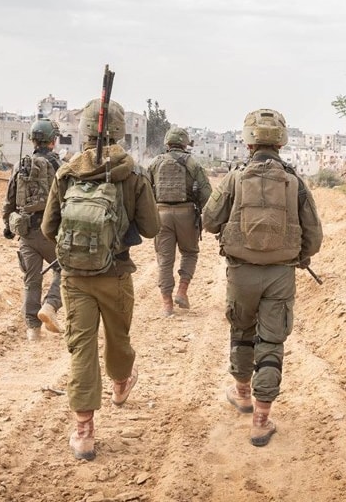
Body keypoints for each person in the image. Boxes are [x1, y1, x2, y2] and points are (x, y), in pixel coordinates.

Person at [42, 98, 160, 461]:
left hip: (75, 279)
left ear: (83, 132)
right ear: (121, 131)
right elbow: (152, 228)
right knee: (118, 339)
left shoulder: (66, 173)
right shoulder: (135, 174)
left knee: (82, 350)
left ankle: (84, 432)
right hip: (117, 274)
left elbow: (49, 228)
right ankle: (121, 381)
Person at [201, 108, 323, 447]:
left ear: (248, 140)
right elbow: (314, 234)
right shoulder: (294, 182)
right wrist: (301, 257)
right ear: (281, 141)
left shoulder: (234, 179)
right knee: (271, 342)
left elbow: (210, 221)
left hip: (240, 272)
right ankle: (260, 421)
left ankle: (242, 394)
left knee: (241, 330)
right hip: (281, 275)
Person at [3, 119, 65, 341]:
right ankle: (50, 305)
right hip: (52, 232)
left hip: (26, 231)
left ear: (32, 139)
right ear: (53, 141)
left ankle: (33, 331)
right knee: (65, 269)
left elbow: (9, 200)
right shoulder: (59, 166)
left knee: (31, 280)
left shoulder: (22, 165)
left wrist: (7, 227)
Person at [147, 126, 212, 316]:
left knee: (165, 260)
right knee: (190, 253)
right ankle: (182, 291)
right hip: (186, 214)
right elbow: (207, 193)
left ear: (167, 143)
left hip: (161, 214)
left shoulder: (155, 163)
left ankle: (167, 304)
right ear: (185, 144)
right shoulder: (193, 163)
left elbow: (145, 191)